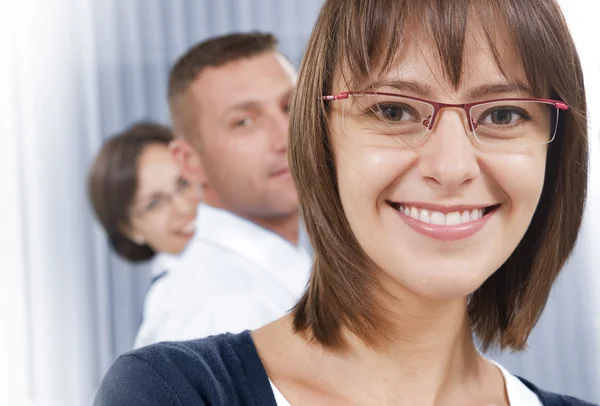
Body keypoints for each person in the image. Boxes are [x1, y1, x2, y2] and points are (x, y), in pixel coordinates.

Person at [94, 0, 597, 405]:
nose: (452, 167)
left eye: (504, 114)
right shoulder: (176, 390)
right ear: (320, 138)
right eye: (394, 109)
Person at [132, 32, 312, 348]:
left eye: (291, 105)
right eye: (244, 122)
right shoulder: (216, 311)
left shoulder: (280, 276)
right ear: (190, 161)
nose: (286, 136)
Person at [88, 122, 201, 277]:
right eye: (154, 204)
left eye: (184, 183)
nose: (184, 207)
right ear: (130, 230)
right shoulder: (174, 297)